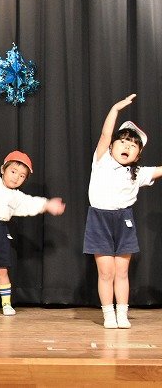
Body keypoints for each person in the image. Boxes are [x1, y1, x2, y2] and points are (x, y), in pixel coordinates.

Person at [84, 93, 162, 329]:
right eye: (123, 141)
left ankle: (122, 313)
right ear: (111, 146)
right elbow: (105, 134)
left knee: (122, 272)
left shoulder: (137, 173)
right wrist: (115, 109)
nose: (127, 146)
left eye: (133, 145)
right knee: (105, 272)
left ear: (138, 154)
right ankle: (108, 314)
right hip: (100, 219)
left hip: (124, 220)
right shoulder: (102, 161)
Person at [0, 134, 65, 317]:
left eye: (22, 176)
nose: (16, 178)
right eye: (13, 172)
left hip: (1, 230)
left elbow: (30, 203)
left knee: (2, 271)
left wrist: (47, 205)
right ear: (3, 170)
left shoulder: (16, 196)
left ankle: (6, 304)